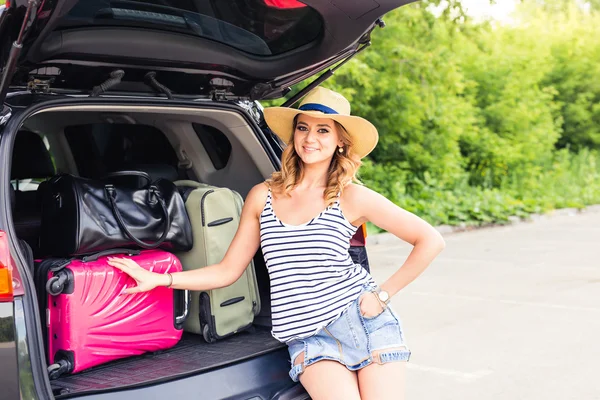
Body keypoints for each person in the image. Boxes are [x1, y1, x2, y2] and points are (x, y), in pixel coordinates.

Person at [107, 86, 446, 399]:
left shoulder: (352, 197)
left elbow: (430, 240)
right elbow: (227, 271)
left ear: (341, 142)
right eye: (303, 128)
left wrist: (382, 295)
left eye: (323, 130)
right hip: (309, 339)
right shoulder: (262, 197)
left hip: (362, 322)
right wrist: (162, 280)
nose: (310, 138)